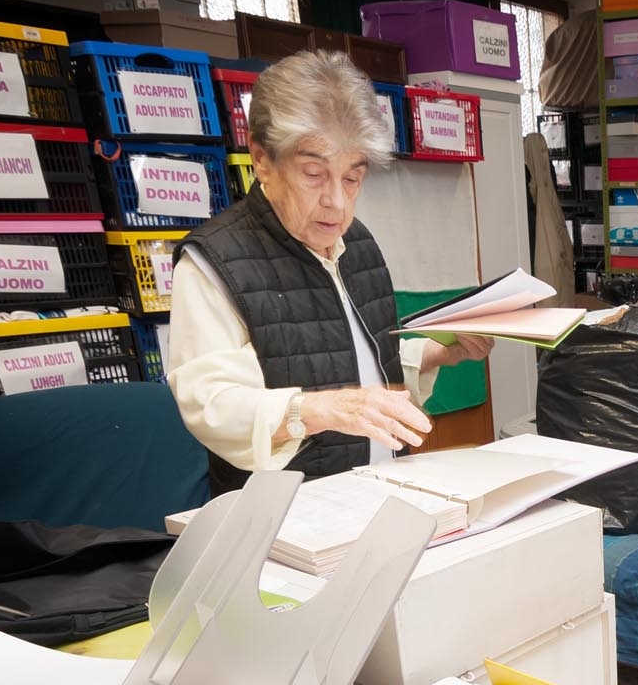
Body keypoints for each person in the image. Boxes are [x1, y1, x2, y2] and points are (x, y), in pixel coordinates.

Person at [166, 49, 493, 493]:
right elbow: (212, 405)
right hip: (285, 515)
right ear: (262, 159)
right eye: (314, 174)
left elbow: (360, 363)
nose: (337, 203)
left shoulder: (356, 243)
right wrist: (317, 411)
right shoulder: (214, 261)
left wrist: (440, 350)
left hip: (378, 489)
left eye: (352, 178)